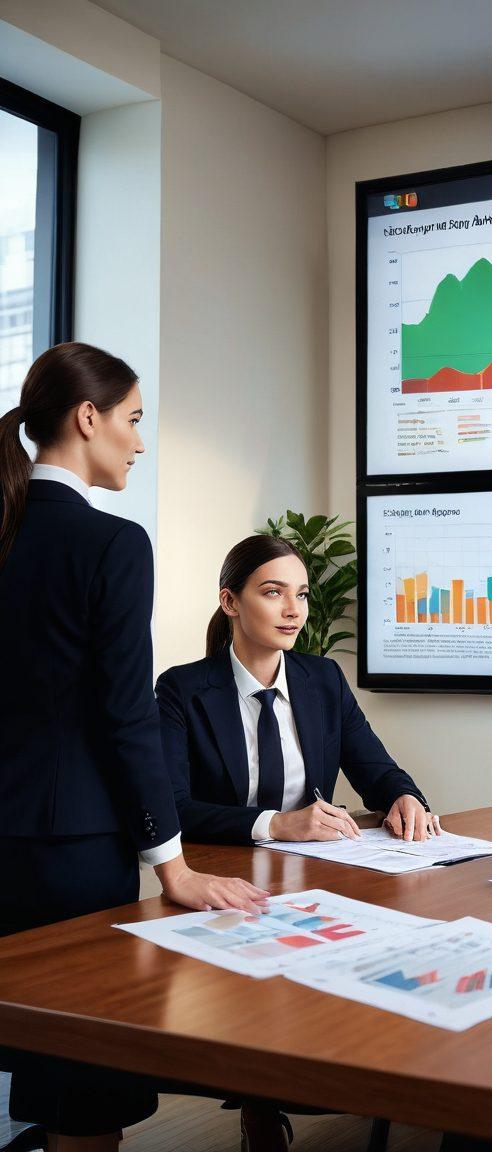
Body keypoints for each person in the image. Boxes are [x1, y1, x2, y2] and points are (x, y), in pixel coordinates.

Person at [0, 343, 269, 1152]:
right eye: (134, 420)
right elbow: (125, 716)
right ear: (89, 419)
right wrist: (174, 867)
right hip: (71, 853)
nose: (141, 443)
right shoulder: (112, 545)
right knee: (85, 1097)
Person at [155, 534, 439, 849]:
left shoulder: (325, 679)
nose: (294, 610)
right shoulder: (181, 690)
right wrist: (276, 824)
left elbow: (377, 771)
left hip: (315, 866)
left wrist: (405, 796)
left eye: (301, 595)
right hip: (223, 869)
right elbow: (172, 808)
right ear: (230, 602)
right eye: (274, 592)